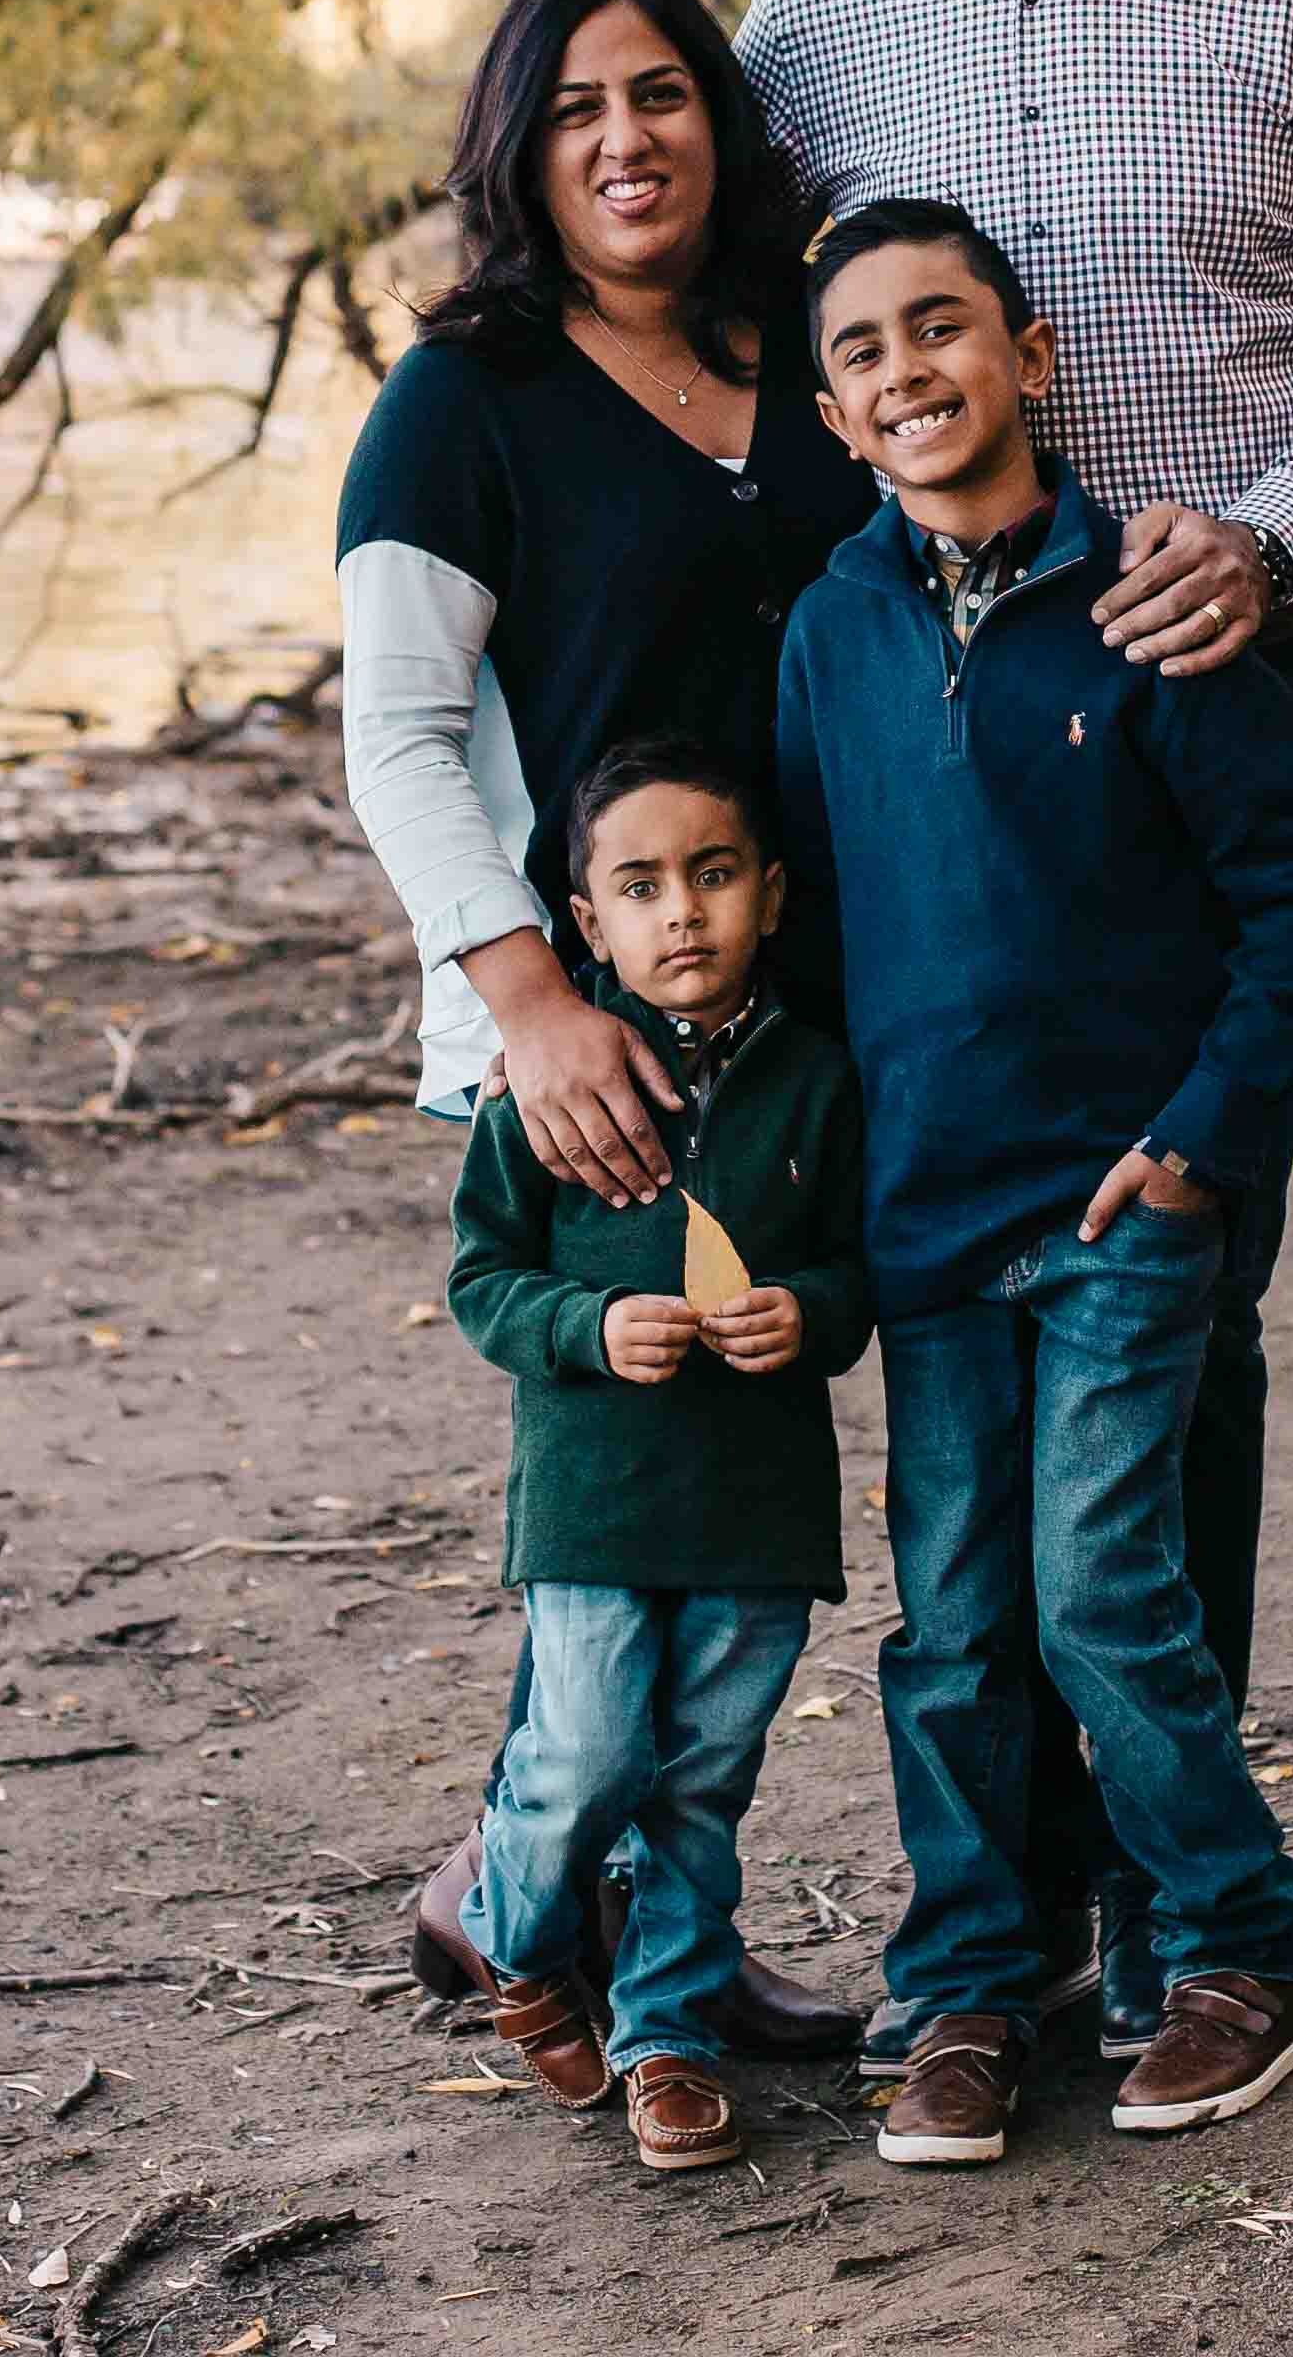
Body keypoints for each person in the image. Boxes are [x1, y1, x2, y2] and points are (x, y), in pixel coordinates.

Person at [735, 0, 1293, 2054]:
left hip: (1233, 688)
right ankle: (1011, 1933)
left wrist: (1273, 542)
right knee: (979, 1305)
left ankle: (1191, 1926)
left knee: (1179, 1267)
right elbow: (747, 358)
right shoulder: (813, 20)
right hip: (952, 711)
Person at [337, 0, 882, 2060]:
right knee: (629, 1497)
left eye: (662, 95)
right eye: (574, 110)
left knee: (738, 1503)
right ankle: (517, 1897)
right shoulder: (466, 397)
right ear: (520, 153)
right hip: (587, 1048)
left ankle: (647, 1939)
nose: (627, 140)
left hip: (801, 1026)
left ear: (722, 127)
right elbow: (393, 738)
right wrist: (530, 1002)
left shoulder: (798, 350)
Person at [775, 198, 1293, 2163]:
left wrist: (1205, 1143)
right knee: (949, 1623)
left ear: (1036, 359)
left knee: (1107, 1584)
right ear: (840, 416)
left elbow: (1287, 895)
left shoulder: (1156, 596)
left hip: (1123, 1204)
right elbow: (827, 925)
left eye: (942, 329)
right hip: (932, 1217)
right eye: (863, 351)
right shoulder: (831, 631)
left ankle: (1233, 1949)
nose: (905, 370)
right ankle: (968, 1985)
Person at [440, 733, 876, 2175]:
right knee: (585, 1750)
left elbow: (860, 1271)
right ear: (588, 923)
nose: (680, 911)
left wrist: (803, 1315)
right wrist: (590, 1323)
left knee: (701, 1779)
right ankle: (512, 1934)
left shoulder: (820, 1079)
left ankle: (670, 2037)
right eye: (639, 886)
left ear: (773, 891)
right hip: (595, 1497)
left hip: (755, 1506)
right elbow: (484, 1283)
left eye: (711, 875)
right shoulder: (543, 1094)